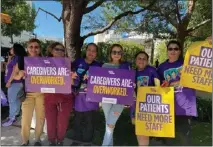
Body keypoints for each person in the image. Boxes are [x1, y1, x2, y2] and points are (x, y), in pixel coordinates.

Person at [157, 40, 197, 146]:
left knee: (185, 136)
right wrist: (163, 84)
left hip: (185, 106)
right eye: (170, 49)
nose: (173, 51)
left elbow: (203, 66)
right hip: (167, 107)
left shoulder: (188, 63)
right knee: (167, 137)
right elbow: (158, 85)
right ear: (167, 51)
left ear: (179, 51)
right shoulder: (161, 67)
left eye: (176, 49)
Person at [13, 39, 45, 146]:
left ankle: (37, 139)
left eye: (36, 47)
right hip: (28, 94)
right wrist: (20, 74)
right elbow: (15, 76)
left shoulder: (46, 61)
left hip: (42, 93)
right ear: (27, 48)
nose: (33, 49)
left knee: (41, 117)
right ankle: (25, 140)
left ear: (40, 49)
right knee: (26, 118)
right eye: (31, 46)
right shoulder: (22, 61)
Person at [71, 43, 102, 146]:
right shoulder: (77, 62)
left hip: (92, 98)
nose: (91, 52)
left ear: (96, 53)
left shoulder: (99, 65)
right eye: (89, 50)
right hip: (78, 97)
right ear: (86, 50)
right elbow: (68, 73)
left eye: (94, 51)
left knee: (90, 121)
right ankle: (77, 140)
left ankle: (88, 141)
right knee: (77, 120)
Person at [101, 44, 131, 146]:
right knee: (109, 124)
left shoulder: (126, 66)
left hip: (120, 100)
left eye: (119, 52)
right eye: (114, 52)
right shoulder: (104, 66)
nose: (117, 54)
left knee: (110, 124)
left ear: (122, 54)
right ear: (110, 53)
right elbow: (100, 82)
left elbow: (129, 82)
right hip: (106, 99)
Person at [44, 42, 73, 146]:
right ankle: (52, 140)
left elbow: (72, 81)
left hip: (65, 97)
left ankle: (60, 140)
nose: (60, 52)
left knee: (63, 121)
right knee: (50, 120)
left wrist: (72, 77)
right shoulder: (44, 63)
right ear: (52, 51)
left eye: (62, 50)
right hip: (50, 96)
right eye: (57, 49)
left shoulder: (68, 63)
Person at [130, 51, 160, 146]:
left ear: (147, 61)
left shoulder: (151, 70)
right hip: (135, 105)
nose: (141, 61)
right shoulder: (132, 72)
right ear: (135, 60)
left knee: (143, 130)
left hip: (149, 105)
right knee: (138, 129)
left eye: (144, 59)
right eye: (139, 58)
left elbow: (158, 86)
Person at [2, 44, 27, 127]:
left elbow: (14, 71)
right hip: (15, 82)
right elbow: (7, 67)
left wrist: (9, 81)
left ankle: (11, 117)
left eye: (12, 48)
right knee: (15, 99)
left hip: (14, 82)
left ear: (16, 49)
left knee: (12, 100)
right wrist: (9, 57)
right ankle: (16, 115)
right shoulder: (15, 57)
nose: (10, 49)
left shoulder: (18, 58)